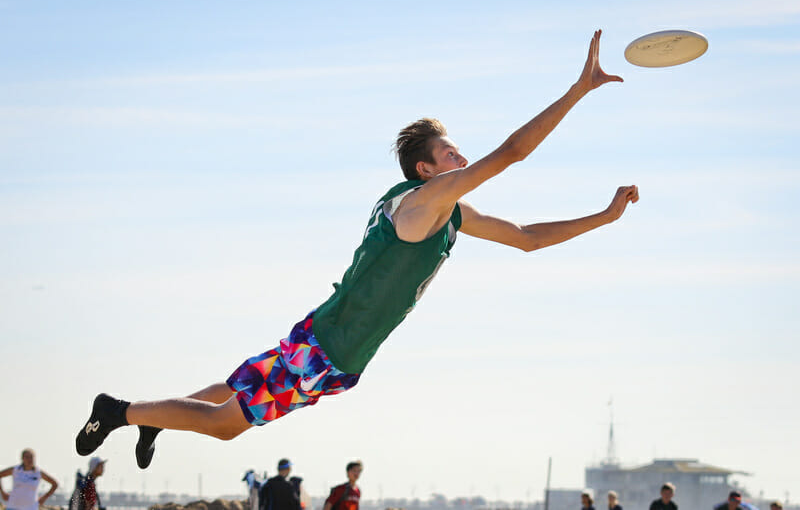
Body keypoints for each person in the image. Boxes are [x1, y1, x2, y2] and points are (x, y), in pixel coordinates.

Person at [75, 30, 638, 468]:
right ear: (425, 170)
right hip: (328, 348)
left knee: (233, 389)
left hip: (328, 334)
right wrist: (578, 90)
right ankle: (121, 412)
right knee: (224, 425)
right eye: (450, 155)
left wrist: (607, 217)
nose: (461, 161)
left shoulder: (446, 213)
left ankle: (155, 419)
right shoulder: (421, 202)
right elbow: (513, 152)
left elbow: (528, 239)